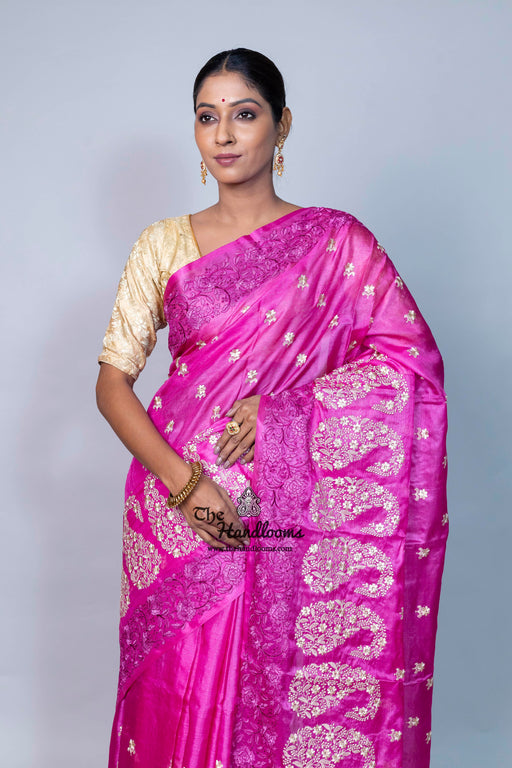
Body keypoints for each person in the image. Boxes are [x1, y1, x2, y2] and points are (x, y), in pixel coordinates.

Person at [96, 47, 448, 768]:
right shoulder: (163, 244)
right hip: (173, 511)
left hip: (283, 508)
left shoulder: (338, 241)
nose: (224, 135)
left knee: (268, 691)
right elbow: (111, 384)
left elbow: (411, 368)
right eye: (207, 117)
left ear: (282, 125)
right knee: (176, 696)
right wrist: (187, 487)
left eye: (245, 114)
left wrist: (287, 412)